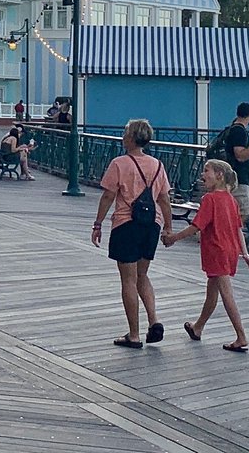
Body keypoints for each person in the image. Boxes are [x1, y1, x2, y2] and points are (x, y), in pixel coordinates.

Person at [91, 118, 174, 349]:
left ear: (130, 137)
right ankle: (154, 320)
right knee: (142, 275)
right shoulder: (158, 165)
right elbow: (165, 199)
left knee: (128, 279)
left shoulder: (119, 163)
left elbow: (108, 196)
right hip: (152, 224)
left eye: (125, 132)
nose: (122, 136)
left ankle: (134, 334)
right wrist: (168, 228)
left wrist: (97, 224)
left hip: (126, 224)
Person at [163, 158, 249, 352]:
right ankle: (198, 327)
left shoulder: (210, 199)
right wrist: (244, 253)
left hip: (216, 251)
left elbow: (196, 226)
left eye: (207, 171)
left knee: (226, 295)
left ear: (219, 175)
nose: (202, 175)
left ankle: (241, 336)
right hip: (229, 251)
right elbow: (238, 229)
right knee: (212, 292)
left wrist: (173, 238)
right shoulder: (231, 200)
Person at [220, 102, 249, 220]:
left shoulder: (232, 128)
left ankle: (234, 233)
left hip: (240, 177)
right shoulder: (239, 131)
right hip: (238, 177)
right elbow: (240, 155)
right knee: (243, 212)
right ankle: (232, 234)